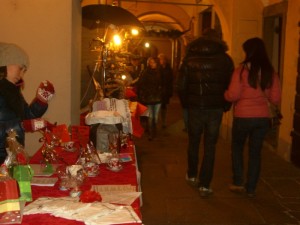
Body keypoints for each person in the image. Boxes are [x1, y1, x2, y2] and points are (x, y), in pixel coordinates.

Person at [177, 29, 234, 197]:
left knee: (193, 142)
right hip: (215, 108)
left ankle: (192, 174)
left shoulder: (189, 59)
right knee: (210, 146)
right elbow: (230, 84)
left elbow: (181, 86)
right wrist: (225, 105)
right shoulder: (225, 59)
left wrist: (186, 104)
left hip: (195, 108)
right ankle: (205, 184)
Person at [224, 37, 281, 197]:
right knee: (255, 153)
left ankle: (238, 182)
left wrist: (225, 94)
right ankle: (251, 188)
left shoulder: (241, 71)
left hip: (242, 117)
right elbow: (275, 99)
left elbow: (233, 95)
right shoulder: (271, 72)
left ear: (248, 52)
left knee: (237, 148)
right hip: (262, 118)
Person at [0, 42, 55, 164]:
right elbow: (22, 123)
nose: (21, 75)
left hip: (12, 155)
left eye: (24, 71)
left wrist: (41, 101)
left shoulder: (13, 91)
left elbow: (26, 116)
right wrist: (22, 126)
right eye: (20, 68)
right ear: (4, 63)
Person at [137, 56, 162, 141]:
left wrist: (161, 91)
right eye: (150, 62)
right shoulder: (146, 72)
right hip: (149, 97)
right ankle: (151, 134)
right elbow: (141, 84)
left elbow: (164, 83)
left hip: (158, 97)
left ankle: (154, 131)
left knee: (155, 117)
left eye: (153, 62)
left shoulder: (160, 72)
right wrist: (147, 91)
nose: (152, 64)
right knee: (151, 117)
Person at [158, 53, 173, 128]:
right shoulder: (158, 68)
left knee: (164, 106)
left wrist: (170, 91)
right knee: (158, 105)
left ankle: (163, 122)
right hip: (159, 90)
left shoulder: (169, 69)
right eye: (160, 59)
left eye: (163, 59)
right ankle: (157, 120)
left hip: (166, 90)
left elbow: (171, 80)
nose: (162, 61)